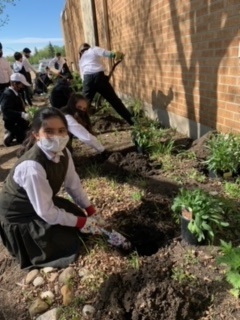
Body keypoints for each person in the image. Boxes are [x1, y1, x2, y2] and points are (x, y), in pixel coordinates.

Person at [0, 107, 103, 269]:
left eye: (62, 130)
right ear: (36, 135)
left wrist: (90, 210)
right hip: (21, 217)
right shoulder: (32, 167)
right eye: (49, 131)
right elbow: (46, 212)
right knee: (67, 241)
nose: (57, 137)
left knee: (75, 216)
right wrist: (82, 222)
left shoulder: (64, 153)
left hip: (39, 204)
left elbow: (73, 185)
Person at [78, 43, 134, 125]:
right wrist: (115, 54)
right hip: (99, 77)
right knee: (114, 101)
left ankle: (76, 127)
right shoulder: (93, 49)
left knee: (83, 104)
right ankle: (131, 121)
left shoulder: (81, 60)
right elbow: (106, 53)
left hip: (87, 80)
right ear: (88, 47)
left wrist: (88, 87)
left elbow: (82, 76)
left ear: (81, 52)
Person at [1, 73, 30, 146]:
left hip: (19, 120)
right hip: (13, 123)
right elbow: (6, 111)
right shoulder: (7, 95)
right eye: (21, 84)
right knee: (24, 139)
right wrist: (21, 114)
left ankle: (14, 133)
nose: (22, 86)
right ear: (14, 84)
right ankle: (10, 134)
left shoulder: (15, 93)